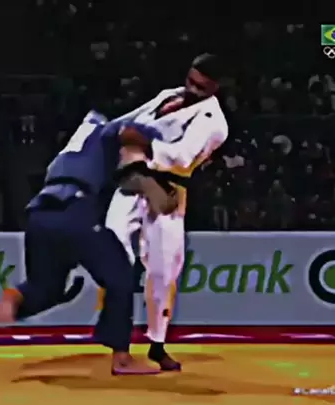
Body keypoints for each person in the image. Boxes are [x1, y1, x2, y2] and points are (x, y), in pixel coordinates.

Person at [0, 111, 178, 375]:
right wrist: (151, 146)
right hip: (76, 212)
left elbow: (124, 180)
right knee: (120, 277)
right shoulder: (108, 131)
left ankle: (17, 296)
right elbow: (127, 134)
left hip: (39, 216)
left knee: (47, 289)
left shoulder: (73, 149)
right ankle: (122, 358)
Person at [101, 53, 229, 371]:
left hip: (169, 191)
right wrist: (109, 131)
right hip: (134, 180)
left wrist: (140, 145)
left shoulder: (215, 123)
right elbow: (131, 120)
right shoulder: (167, 96)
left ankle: (157, 344)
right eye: (191, 80)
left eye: (201, 86)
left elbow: (182, 157)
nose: (192, 89)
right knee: (112, 248)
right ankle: (118, 342)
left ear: (215, 87)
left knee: (163, 271)